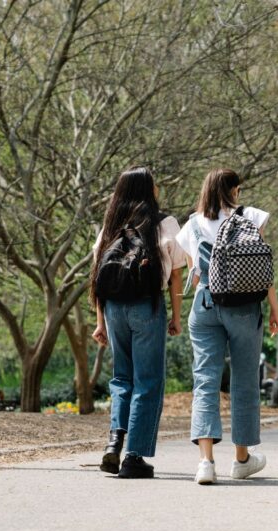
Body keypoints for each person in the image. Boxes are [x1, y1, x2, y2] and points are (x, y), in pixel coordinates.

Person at [176, 168, 278, 485]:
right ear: (235, 190)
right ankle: (241, 459)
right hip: (245, 308)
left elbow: (192, 268)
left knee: (205, 380)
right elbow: (263, 269)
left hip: (205, 303)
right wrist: (275, 309)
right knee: (245, 380)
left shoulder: (192, 224)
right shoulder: (251, 217)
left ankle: (205, 463)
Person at [92, 167, 185, 479]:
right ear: (149, 189)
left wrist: (100, 322)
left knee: (122, 378)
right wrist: (176, 315)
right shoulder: (164, 222)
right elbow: (176, 274)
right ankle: (134, 456)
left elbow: (97, 276)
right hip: (148, 305)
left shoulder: (110, 225)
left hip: (114, 308)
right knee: (147, 381)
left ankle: (113, 443)